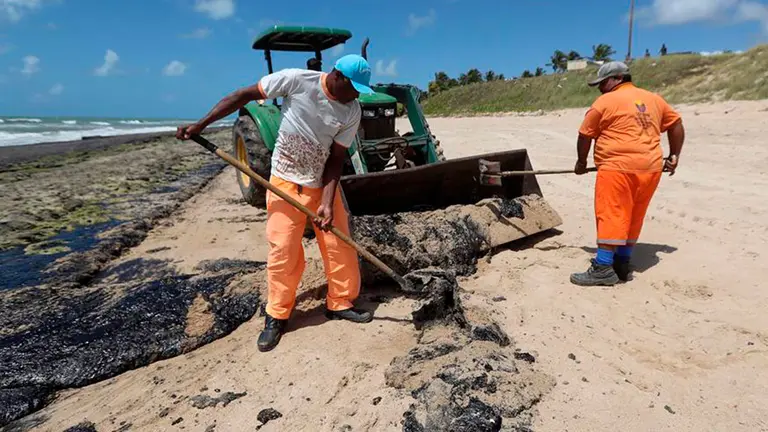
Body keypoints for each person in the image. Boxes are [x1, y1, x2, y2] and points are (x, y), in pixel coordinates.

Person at [176, 54, 376, 351]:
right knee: (282, 248)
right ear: (338, 76)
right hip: (284, 180)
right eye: (354, 87)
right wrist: (202, 124)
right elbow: (243, 95)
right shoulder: (298, 80)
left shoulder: (352, 110)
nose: (357, 94)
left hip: (320, 183)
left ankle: (340, 302)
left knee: (339, 243)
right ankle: (277, 316)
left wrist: (326, 202)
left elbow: (336, 159)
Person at [571, 61, 685, 286]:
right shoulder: (654, 99)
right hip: (651, 168)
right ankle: (622, 263)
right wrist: (674, 155)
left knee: (612, 213)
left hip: (617, 168)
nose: (600, 88)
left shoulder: (605, 102)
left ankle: (603, 267)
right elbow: (676, 123)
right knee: (634, 214)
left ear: (616, 78)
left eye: (602, 83)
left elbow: (585, 135)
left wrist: (581, 162)